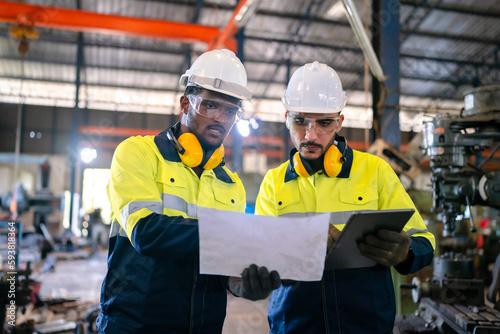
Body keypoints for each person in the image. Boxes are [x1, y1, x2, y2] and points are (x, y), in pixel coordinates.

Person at [97, 49, 280, 334]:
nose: (220, 118)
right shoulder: (138, 154)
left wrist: (245, 285)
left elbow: (225, 267)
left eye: (230, 110)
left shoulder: (231, 185)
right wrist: (232, 232)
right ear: (185, 103)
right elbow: (147, 232)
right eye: (210, 105)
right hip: (134, 325)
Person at [255, 61, 435, 333]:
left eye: (324, 123)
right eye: (300, 121)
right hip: (294, 323)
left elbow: (424, 239)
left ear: (339, 122)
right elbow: (259, 254)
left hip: (364, 323)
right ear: (286, 118)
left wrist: (405, 253)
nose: (310, 135)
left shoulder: (375, 172)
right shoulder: (274, 183)